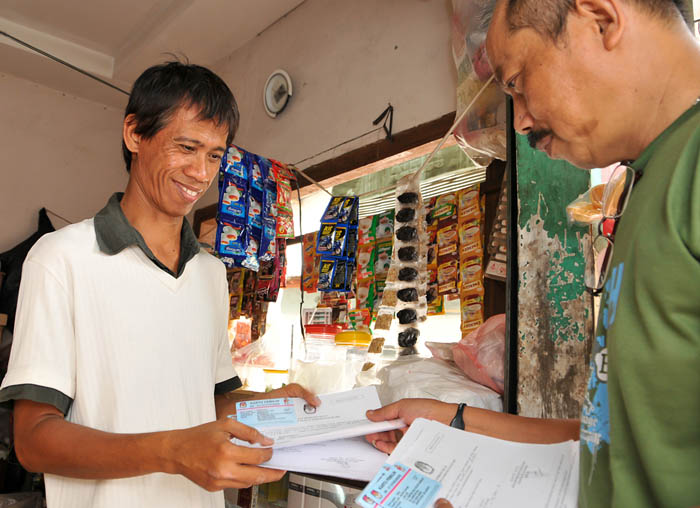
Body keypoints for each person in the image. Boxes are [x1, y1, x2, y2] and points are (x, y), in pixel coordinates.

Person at [366, 0, 700, 506]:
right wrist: (453, 420)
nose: (519, 121)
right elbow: (613, 445)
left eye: (518, 81)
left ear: (601, 20)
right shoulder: (646, 180)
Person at [0, 61, 318, 508]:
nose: (201, 174)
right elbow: (33, 441)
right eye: (186, 147)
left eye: (215, 155)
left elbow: (205, 405)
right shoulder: (61, 258)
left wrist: (269, 406)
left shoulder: (210, 274)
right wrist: (171, 452)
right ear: (134, 134)